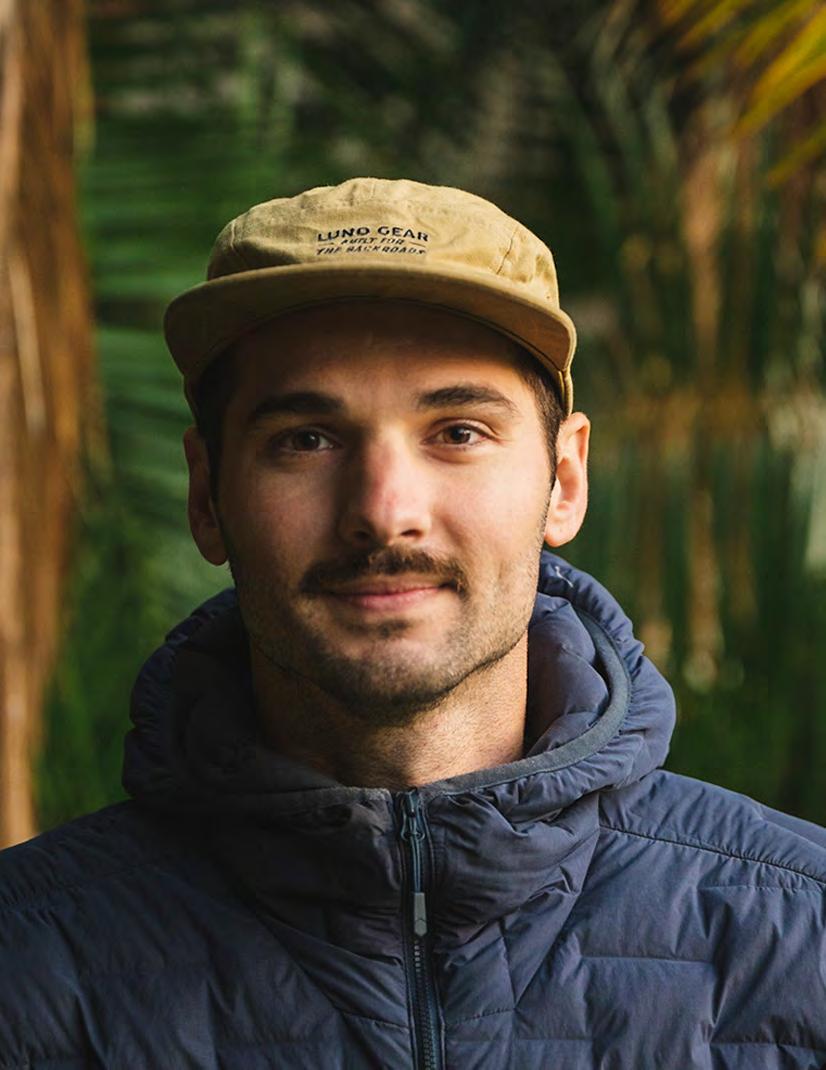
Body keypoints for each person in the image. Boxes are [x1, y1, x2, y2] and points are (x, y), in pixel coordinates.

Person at [1, 177, 824, 1070]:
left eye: (458, 432)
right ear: (208, 496)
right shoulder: (25, 963)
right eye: (306, 439)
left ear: (565, 481)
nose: (384, 512)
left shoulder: (802, 936)